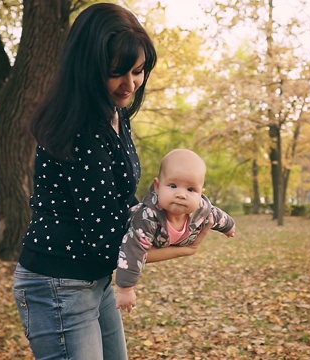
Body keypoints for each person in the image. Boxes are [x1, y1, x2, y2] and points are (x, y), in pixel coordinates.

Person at [12, 4, 212, 359]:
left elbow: (119, 202)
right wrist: (184, 248)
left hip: (96, 279)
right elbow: (107, 243)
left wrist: (173, 214)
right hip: (59, 284)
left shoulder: (115, 115)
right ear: (87, 69)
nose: (130, 83)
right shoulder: (82, 131)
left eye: (138, 71)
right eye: (117, 72)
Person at [115, 149, 237, 312]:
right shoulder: (146, 217)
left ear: (201, 194)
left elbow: (217, 215)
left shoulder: (201, 211)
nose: (181, 194)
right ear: (157, 187)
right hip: (123, 241)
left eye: (191, 190)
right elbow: (132, 250)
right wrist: (126, 289)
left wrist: (229, 226)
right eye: (173, 186)